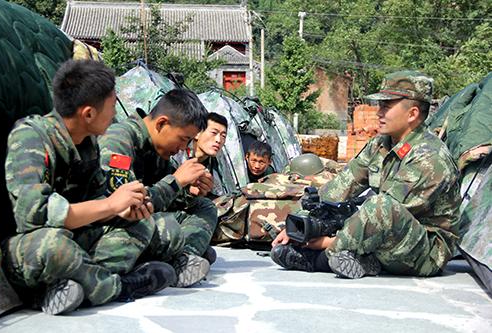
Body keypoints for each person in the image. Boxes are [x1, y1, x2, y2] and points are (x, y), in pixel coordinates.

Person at [1, 60, 176, 316]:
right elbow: (32, 215)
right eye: (113, 105)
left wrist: (120, 210)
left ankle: (70, 288)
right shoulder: (31, 135)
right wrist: (109, 205)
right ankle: (118, 287)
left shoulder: (87, 143)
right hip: (28, 247)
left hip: (74, 237)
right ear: (89, 114)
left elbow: (95, 197)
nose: (115, 115)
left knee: (140, 224)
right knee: (53, 245)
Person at [271, 71, 462, 279]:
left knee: (379, 206)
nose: (378, 112)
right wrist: (297, 225)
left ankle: (317, 258)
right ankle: (363, 261)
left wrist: (323, 241)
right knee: (345, 208)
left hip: (424, 252)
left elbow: (386, 213)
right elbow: (341, 186)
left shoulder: (430, 157)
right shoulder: (381, 143)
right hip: (385, 241)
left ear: (412, 114)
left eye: (386, 106)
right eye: (380, 105)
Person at [99, 89, 218, 287]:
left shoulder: (157, 149)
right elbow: (125, 208)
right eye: (183, 139)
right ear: (162, 123)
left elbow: (165, 198)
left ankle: (185, 256)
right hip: (110, 226)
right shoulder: (119, 141)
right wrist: (176, 181)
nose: (183, 148)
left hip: (141, 219)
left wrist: (189, 191)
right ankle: (179, 254)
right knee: (167, 227)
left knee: (204, 206)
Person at [172, 112, 228, 198]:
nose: (218, 140)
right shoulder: (176, 153)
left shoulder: (218, 163)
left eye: (223, 136)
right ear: (197, 133)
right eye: (214, 133)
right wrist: (187, 189)